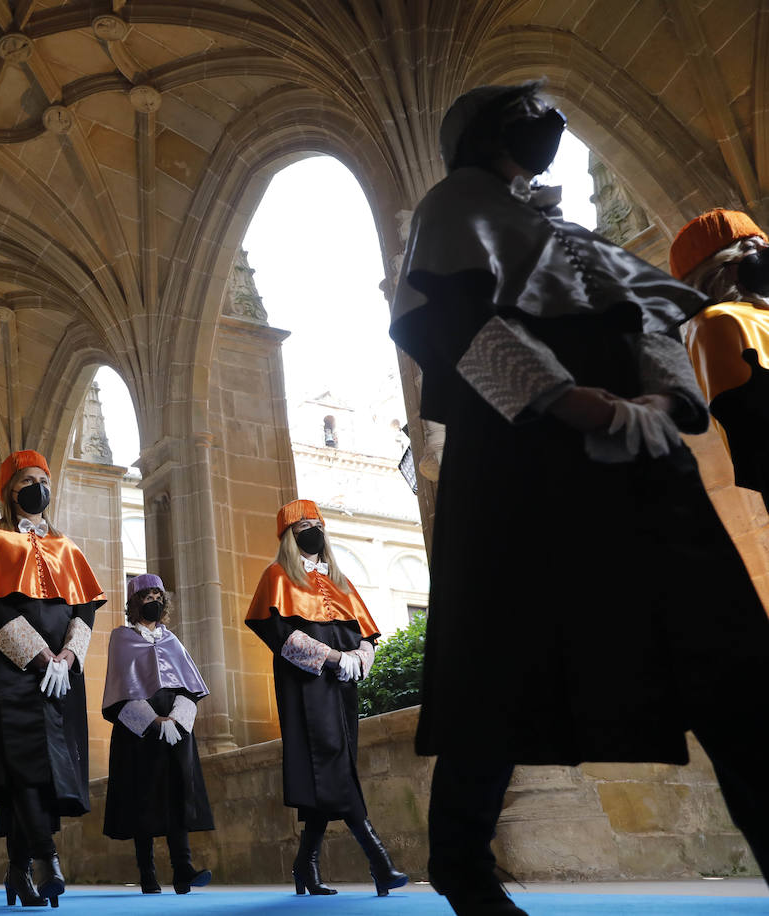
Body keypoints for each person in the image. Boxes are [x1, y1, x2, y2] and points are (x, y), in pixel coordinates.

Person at [391, 80, 769, 915]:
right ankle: (462, 864)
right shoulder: (455, 205)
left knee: (731, 656)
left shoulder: (566, 228)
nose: (546, 123)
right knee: (497, 663)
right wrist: (568, 400)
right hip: (525, 461)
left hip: (643, 459)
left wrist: (664, 405)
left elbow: (649, 320)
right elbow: (449, 319)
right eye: (525, 114)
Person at [0, 451, 106, 907]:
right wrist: (39, 656)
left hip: (62, 673)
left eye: (42, 478)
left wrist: (67, 656)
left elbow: (85, 607)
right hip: (13, 668)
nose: (36, 486)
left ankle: (17, 872)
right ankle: (46, 857)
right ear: (10, 490)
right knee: (22, 763)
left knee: (50, 769)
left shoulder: (66, 547)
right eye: (26, 480)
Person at [245, 500, 407, 898]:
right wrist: (334, 658)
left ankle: (305, 865)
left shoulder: (341, 581)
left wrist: (360, 658)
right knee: (331, 759)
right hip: (307, 686)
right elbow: (279, 635)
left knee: (334, 765)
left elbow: (366, 634)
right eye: (303, 524)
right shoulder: (277, 576)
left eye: (317, 523)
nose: (313, 528)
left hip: (343, 687)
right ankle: (379, 861)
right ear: (289, 534)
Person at [101, 573, 214, 894]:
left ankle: (183, 869)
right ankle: (147, 873)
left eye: (158, 595)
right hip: (139, 730)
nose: (154, 601)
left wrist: (177, 719)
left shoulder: (171, 639)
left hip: (176, 730)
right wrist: (152, 720)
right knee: (143, 797)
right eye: (147, 596)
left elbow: (190, 688)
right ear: (135, 602)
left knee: (179, 793)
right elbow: (119, 689)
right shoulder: (122, 637)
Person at [669, 209, 769, 509]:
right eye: (752, 248)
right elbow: (752, 419)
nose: (765, 252)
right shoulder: (715, 321)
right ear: (719, 267)